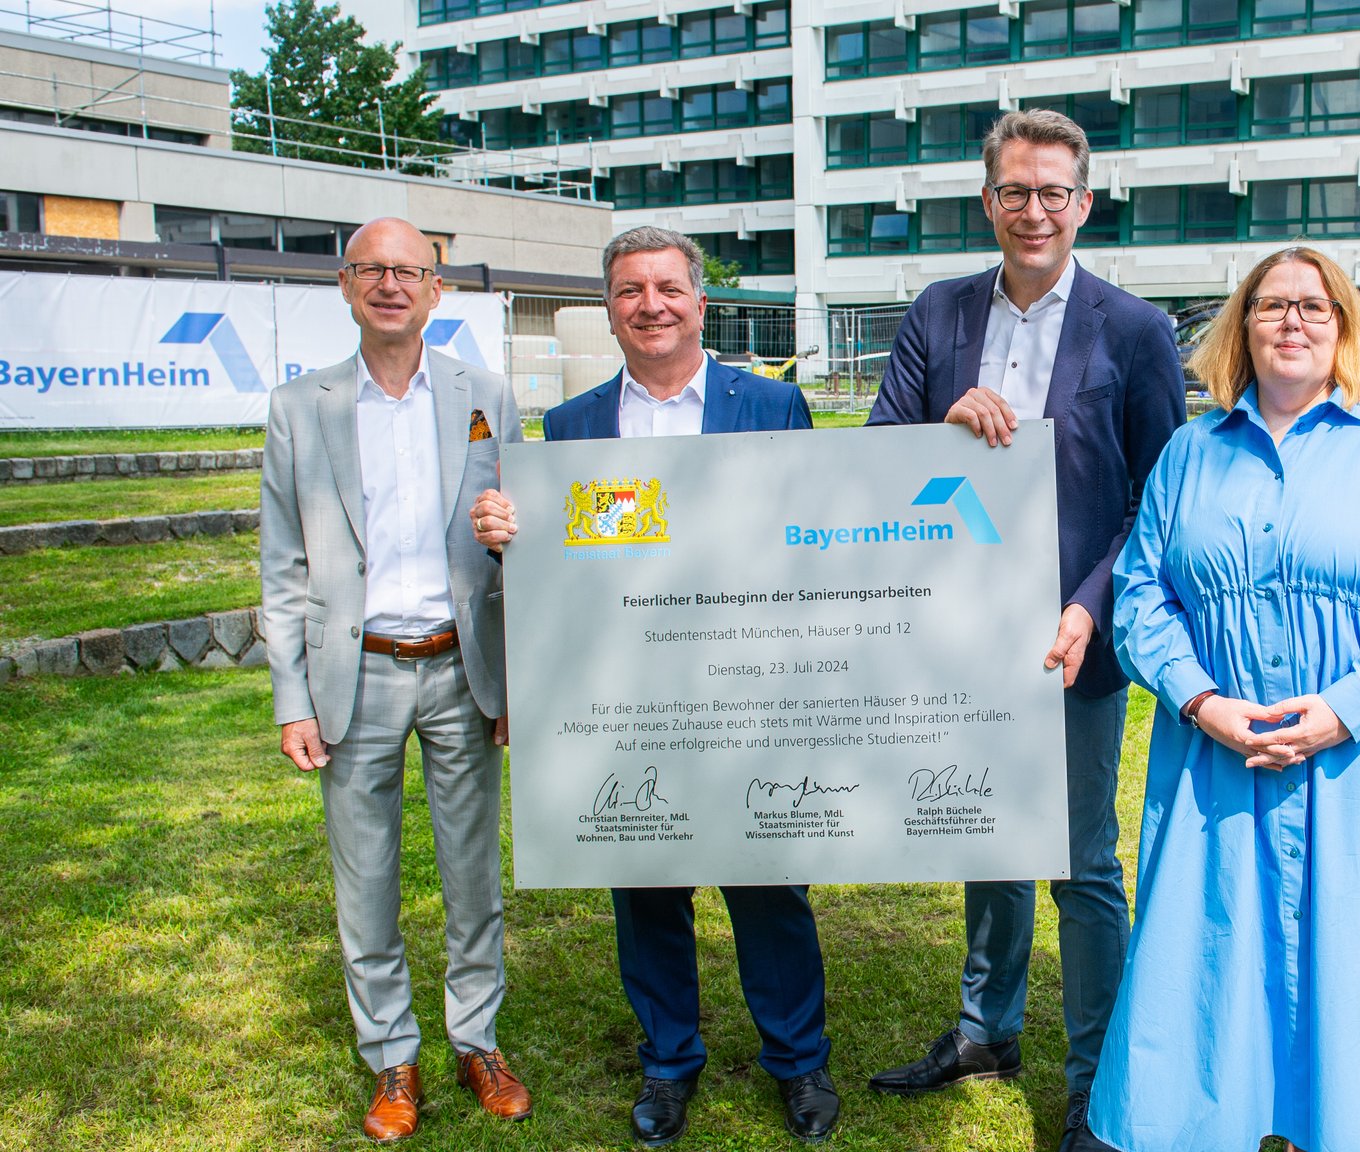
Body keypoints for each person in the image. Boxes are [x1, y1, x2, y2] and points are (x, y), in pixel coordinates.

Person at [1086, 246, 1360, 1152]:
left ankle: (1345, 1123)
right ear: (1242, 326)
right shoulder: (1190, 452)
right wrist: (1200, 701)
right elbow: (1143, 592)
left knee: (1354, 941)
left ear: (1344, 325)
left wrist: (1350, 702)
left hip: (1357, 753)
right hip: (1215, 757)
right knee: (1208, 946)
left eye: (1314, 306)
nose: (1292, 322)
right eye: (1271, 307)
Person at [467, 226, 836, 1148]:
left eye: (668, 288)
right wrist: (516, 529)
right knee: (645, 879)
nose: (651, 306)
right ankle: (669, 1061)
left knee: (767, 878)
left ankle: (797, 1059)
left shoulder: (772, 405)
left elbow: (818, 527)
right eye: (631, 291)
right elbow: (563, 569)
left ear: (699, 302)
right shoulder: (574, 426)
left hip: (751, 682)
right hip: (630, 692)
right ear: (610, 307)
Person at [861, 108, 1185, 1152]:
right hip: (958, 630)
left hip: (1073, 640)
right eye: (1014, 190)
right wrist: (936, 422)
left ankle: (1095, 1081)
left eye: (1053, 192)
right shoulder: (939, 313)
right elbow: (872, 456)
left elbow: (1157, 497)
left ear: (1083, 204)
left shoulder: (1131, 330)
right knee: (983, 839)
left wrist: (1091, 602)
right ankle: (985, 1031)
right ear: (986, 200)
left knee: (1080, 862)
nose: (1032, 209)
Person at [259, 217, 530, 1143]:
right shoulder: (302, 408)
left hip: (464, 666)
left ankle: (477, 1038)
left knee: (472, 874)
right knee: (364, 877)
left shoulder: (485, 394)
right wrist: (291, 697)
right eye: (371, 269)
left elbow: (515, 546)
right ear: (344, 285)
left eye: (408, 269)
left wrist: (516, 670)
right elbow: (283, 566)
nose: (390, 284)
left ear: (436, 289)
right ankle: (392, 1056)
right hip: (356, 673)